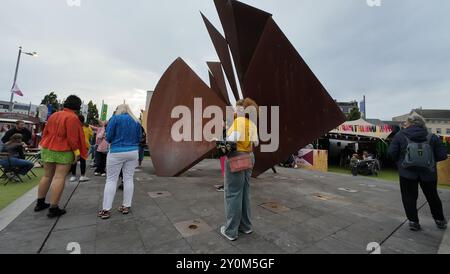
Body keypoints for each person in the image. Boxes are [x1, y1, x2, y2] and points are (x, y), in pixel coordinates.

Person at [388, 115, 448, 231]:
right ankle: (439, 220)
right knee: (432, 197)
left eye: (405, 123)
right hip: (428, 173)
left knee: (409, 197)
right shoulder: (432, 137)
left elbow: (391, 153)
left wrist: (401, 162)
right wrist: (429, 161)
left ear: (409, 123)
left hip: (407, 173)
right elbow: (442, 155)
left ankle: (413, 222)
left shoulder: (400, 136)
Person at [35, 95, 87, 218]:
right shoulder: (73, 118)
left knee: (47, 175)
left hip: (48, 147)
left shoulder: (54, 115)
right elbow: (72, 139)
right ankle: (54, 208)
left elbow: (46, 132)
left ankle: (40, 203)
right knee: (59, 177)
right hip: (64, 149)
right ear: (77, 107)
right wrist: (77, 153)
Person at [221, 98, 259, 241]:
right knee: (244, 192)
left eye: (238, 108)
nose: (235, 111)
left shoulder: (238, 122)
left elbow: (231, 141)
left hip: (237, 158)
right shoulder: (252, 124)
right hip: (250, 157)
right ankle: (246, 226)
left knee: (233, 193)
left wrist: (221, 139)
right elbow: (256, 142)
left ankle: (230, 231)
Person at [98, 104, 142, 220]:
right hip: (133, 151)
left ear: (118, 110)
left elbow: (109, 137)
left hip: (116, 151)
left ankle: (106, 210)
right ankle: (126, 206)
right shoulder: (136, 121)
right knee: (128, 178)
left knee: (111, 179)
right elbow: (139, 138)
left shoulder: (115, 119)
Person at [69, 115, 93, 183]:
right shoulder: (87, 127)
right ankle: (82, 176)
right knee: (83, 160)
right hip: (85, 145)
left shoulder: (74, 126)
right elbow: (91, 135)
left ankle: (73, 176)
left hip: (75, 146)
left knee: (74, 160)